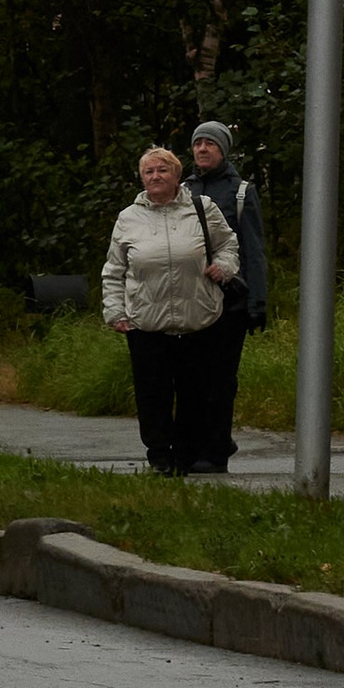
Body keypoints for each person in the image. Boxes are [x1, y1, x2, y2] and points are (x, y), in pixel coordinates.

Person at [102, 145, 240, 477]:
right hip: (146, 323)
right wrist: (115, 312)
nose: (155, 176)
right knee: (153, 395)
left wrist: (223, 267)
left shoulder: (202, 208)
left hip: (197, 319)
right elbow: (113, 271)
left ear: (177, 175)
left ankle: (185, 454)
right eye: (148, 172)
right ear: (141, 178)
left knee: (195, 393)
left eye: (162, 170)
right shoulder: (128, 218)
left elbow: (228, 244)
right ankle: (160, 456)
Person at [186, 120, 267, 476]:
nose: (202, 149)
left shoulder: (240, 191)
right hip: (189, 300)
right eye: (198, 143)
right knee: (191, 377)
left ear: (223, 150)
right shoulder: (183, 188)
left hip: (229, 300)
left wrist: (257, 303)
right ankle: (200, 442)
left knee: (220, 378)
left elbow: (254, 249)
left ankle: (215, 451)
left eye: (210, 144)